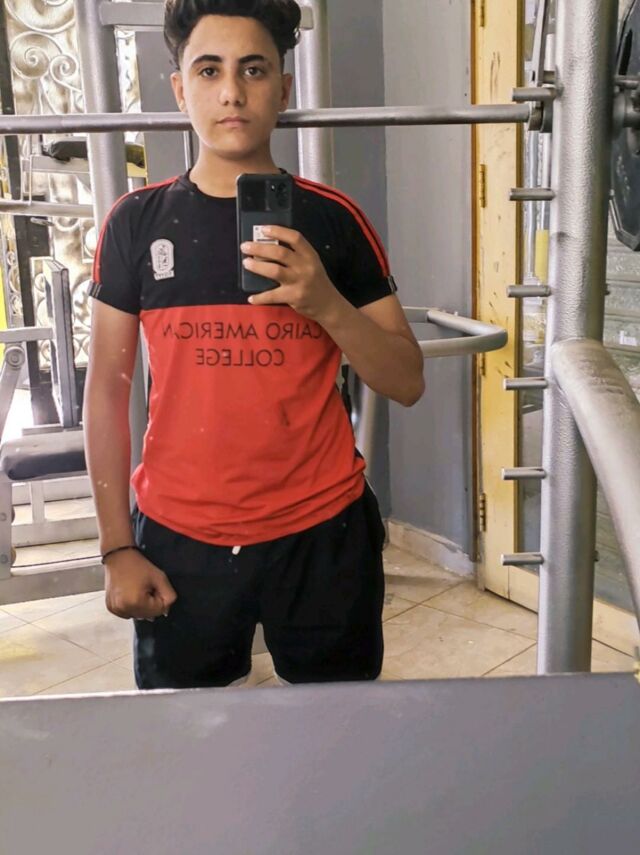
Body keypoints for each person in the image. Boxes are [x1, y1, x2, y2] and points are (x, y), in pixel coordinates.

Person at [84, 0, 425, 689]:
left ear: (284, 88)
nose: (232, 93)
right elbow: (108, 390)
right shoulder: (135, 223)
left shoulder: (333, 220)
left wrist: (325, 302)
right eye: (209, 71)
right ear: (180, 88)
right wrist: (117, 545)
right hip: (179, 535)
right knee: (191, 734)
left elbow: (406, 380)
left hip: (323, 532)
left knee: (337, 727)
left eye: (254, 69)